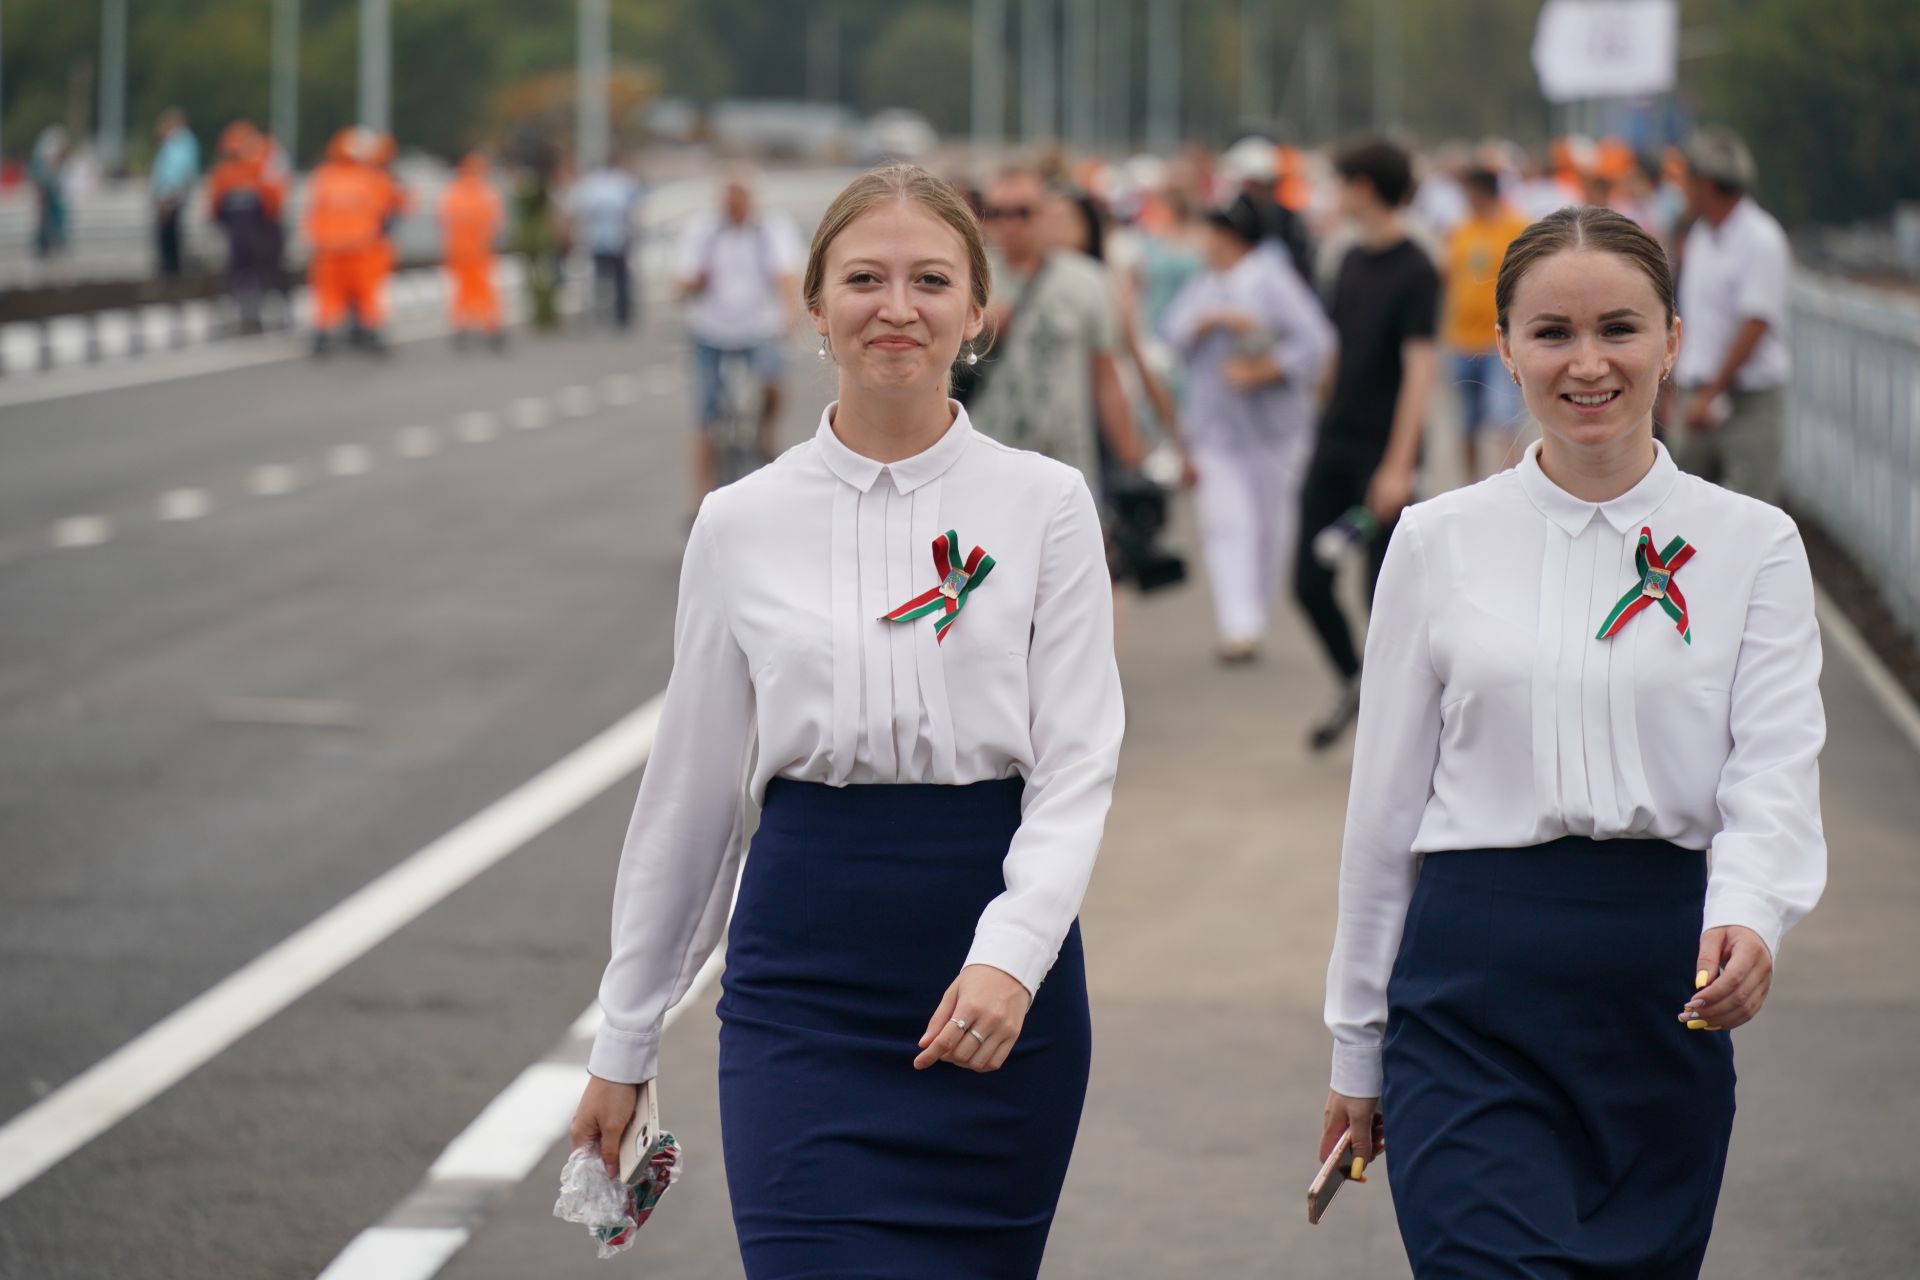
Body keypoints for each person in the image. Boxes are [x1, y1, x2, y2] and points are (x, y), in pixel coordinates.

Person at [569, 164, 1124, 1278]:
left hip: (996, 978)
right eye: (864, 278)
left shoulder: (1047, 503)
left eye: (932, 279)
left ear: (980, 310)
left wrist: (1015, 955)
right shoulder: (739, 522)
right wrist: (625, 1037)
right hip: (803, 978)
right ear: (813, 306)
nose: (897, 306)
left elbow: (1078, 762)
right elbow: (692, 798)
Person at [1320, 206, 1826, 1279]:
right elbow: (1382, 814)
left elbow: (1774, 767)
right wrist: (1356, 1045)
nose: (1587, 362)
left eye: (1620, 329)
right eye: (1551, 332)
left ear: (1673, 339)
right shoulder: (1435, 539)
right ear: (1502, 346)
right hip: (1467, 999)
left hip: (1659, 998)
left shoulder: (1753, 545)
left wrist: (1751, 912)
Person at [1293, 138, 1439, 750]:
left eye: (1343, 181)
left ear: (1366, 187)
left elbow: (1420, 369)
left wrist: (1399, 464)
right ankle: (1359, 683)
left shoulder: (1417, 269)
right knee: (1306, 579)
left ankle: (1393, 719)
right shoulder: (1348, 258)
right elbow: (1335, 345)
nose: (1336, 193)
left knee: (1380, 592)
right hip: (1334, 441)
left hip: (1383, 451)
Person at [1161, 195, 1334, 662]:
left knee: (1271, 526)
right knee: (1224, 523)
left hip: (1274, 430)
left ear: (1233, 237)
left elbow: (1317, 341)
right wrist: (1208, 322)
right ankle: (1238, 623)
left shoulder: (1272, 279)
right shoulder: (1206, 282)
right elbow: (1172, 333)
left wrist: (1266, 368)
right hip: (1214, 429)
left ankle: (1255, 611)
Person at [969, 163, 1147, 499]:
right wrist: (983, 330)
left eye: (1022, 213)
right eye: (997, 213)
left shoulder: (1088, 281)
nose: (1010, 224)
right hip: (987, 465)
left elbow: (1106, 377)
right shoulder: (969, 282)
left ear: (1045, 215)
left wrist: (1130, 460)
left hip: (1065, 466)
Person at [1671, 127, 1792, 504]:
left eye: (1686, 182)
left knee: (1750, 512)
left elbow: (1755, 323)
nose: (1682, 192)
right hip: (1698, 395)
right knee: (1684, 513)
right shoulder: (1701, 235)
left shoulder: (1761, 238)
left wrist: (1712, 392)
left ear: (1705, 184)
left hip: (1746, 400)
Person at [676, 168, 804, 505]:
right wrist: (693, 282)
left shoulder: (770, 230)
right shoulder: (704, 231)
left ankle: (764, 428)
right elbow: (683, 281)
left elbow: (785, 275)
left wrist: (789, 315)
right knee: (705, 414)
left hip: (759, 326)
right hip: (711, 328)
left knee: (773, 383)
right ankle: (699, 495)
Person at [1441, 166, 1531, 479]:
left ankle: (1510, 485)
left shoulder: (1516, 227)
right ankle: (1471, 485)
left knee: (1502, 418)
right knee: (1466, 422)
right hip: (1461, 338)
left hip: (1499, 341)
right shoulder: (1461, 230)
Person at [303, 127, 390, 355]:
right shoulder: (369, 177)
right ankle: (369, 333)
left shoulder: (324, 176)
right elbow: (386, 208)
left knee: (328, 296)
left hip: (329, 248)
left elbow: (313, 212)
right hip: (360, 248)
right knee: (366, 295)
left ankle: (322, 336)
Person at [205, 121, 286, 335]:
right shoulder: (246, 170)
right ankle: (250, 312)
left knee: (251, 271)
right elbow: (215, 207)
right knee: (253, 271)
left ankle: (255, 311)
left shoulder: (257, 167)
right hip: (253, 232)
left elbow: (215, 209)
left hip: (254, 231)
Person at [438, 151, 506, 350]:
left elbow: (444, 222)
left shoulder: (452, 193)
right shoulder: (487, 194)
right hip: (479, 253)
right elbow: (496, 225)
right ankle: (491, 329)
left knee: (462, 293)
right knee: (484, 293)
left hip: (458, 253)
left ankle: (462, 329)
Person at [569, 157, 645, 329]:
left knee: (606, 280)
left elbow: (580, 212)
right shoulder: (622, 182)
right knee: (616, 280)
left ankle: (609, 316)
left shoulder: (593, 184)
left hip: (605, 239)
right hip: (612, 238)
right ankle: (618, 316)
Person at [151, 108, 200, 280]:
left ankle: (171, 271)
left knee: (168, 234)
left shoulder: (180, 143)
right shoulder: (180, 143)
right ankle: (172, 270)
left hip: (171, 195)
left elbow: (177, 172)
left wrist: (167, 196)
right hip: (171, 194)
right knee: (170, 233)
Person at [28, 126, 71, 263]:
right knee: (45, 220)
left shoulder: (45, 153)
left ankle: (50, 246)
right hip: (46, 191)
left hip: (48, 191)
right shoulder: (45, 157)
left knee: (50, 219)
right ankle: (44, 247)